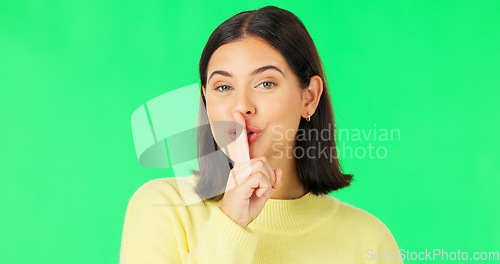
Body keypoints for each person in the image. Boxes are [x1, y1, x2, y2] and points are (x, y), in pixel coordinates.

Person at [120, 6, 403, 264]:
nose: (241, 105)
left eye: (265, 83)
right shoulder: (162, 207)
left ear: (309, 97)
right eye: (223, 87)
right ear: (206, 101)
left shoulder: (370, 240)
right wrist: (230, 221)